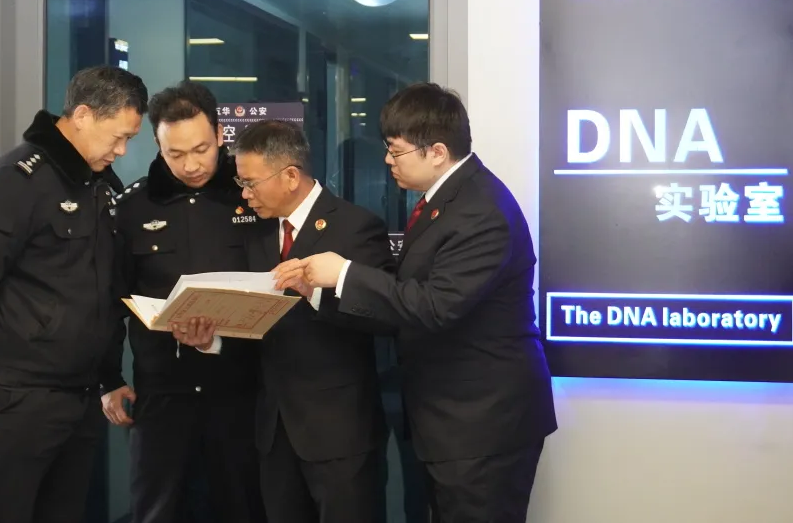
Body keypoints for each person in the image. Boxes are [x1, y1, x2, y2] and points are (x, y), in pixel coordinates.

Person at [275, 83, 558, 523]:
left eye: (396, 150)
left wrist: (345, 273)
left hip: (482, 424)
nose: (388, 160)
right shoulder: (444, 201)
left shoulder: (480, 211)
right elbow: (404, 297)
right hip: (449, 421)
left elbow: (434, 306)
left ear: (437, 152)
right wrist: (318, 292)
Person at [0, 66, 149, 523]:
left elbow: (102, 292)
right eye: (119, 137)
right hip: (16, 396)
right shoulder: (14, 180)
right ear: (83, 115)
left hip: (78, 394)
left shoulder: (97, 186)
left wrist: (108, 375)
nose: (122, 151)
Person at [99, 80, 266, 523]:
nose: (191, 165)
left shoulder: (253, 197)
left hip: (241, 391)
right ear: (158, 145)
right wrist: (108, 377)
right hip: (162, 392)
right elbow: (110, 301)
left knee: (242, 507)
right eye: (175, 154)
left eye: (201, 149)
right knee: (158, 508)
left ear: (220, 135)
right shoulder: (132, 207)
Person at [230, 119, 395, 523]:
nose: (245, 194)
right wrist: (212, 335)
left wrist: (316, 292)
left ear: (290, 176)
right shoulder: (256, 233)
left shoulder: (356, 227)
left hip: (339, 431)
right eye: (240, 183)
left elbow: (384, 315)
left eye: (251, 183)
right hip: (274, 430)